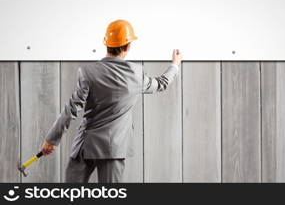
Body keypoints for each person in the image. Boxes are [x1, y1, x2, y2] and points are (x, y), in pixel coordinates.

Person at [41, 19, 182, 182]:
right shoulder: (135, 74)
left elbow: (71, 109)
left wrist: (51, 140)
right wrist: (175, 65)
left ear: (106, 44)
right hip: (114, 149)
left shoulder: (87, 72)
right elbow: (161, 83)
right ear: (128, 46)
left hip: (85, 146)